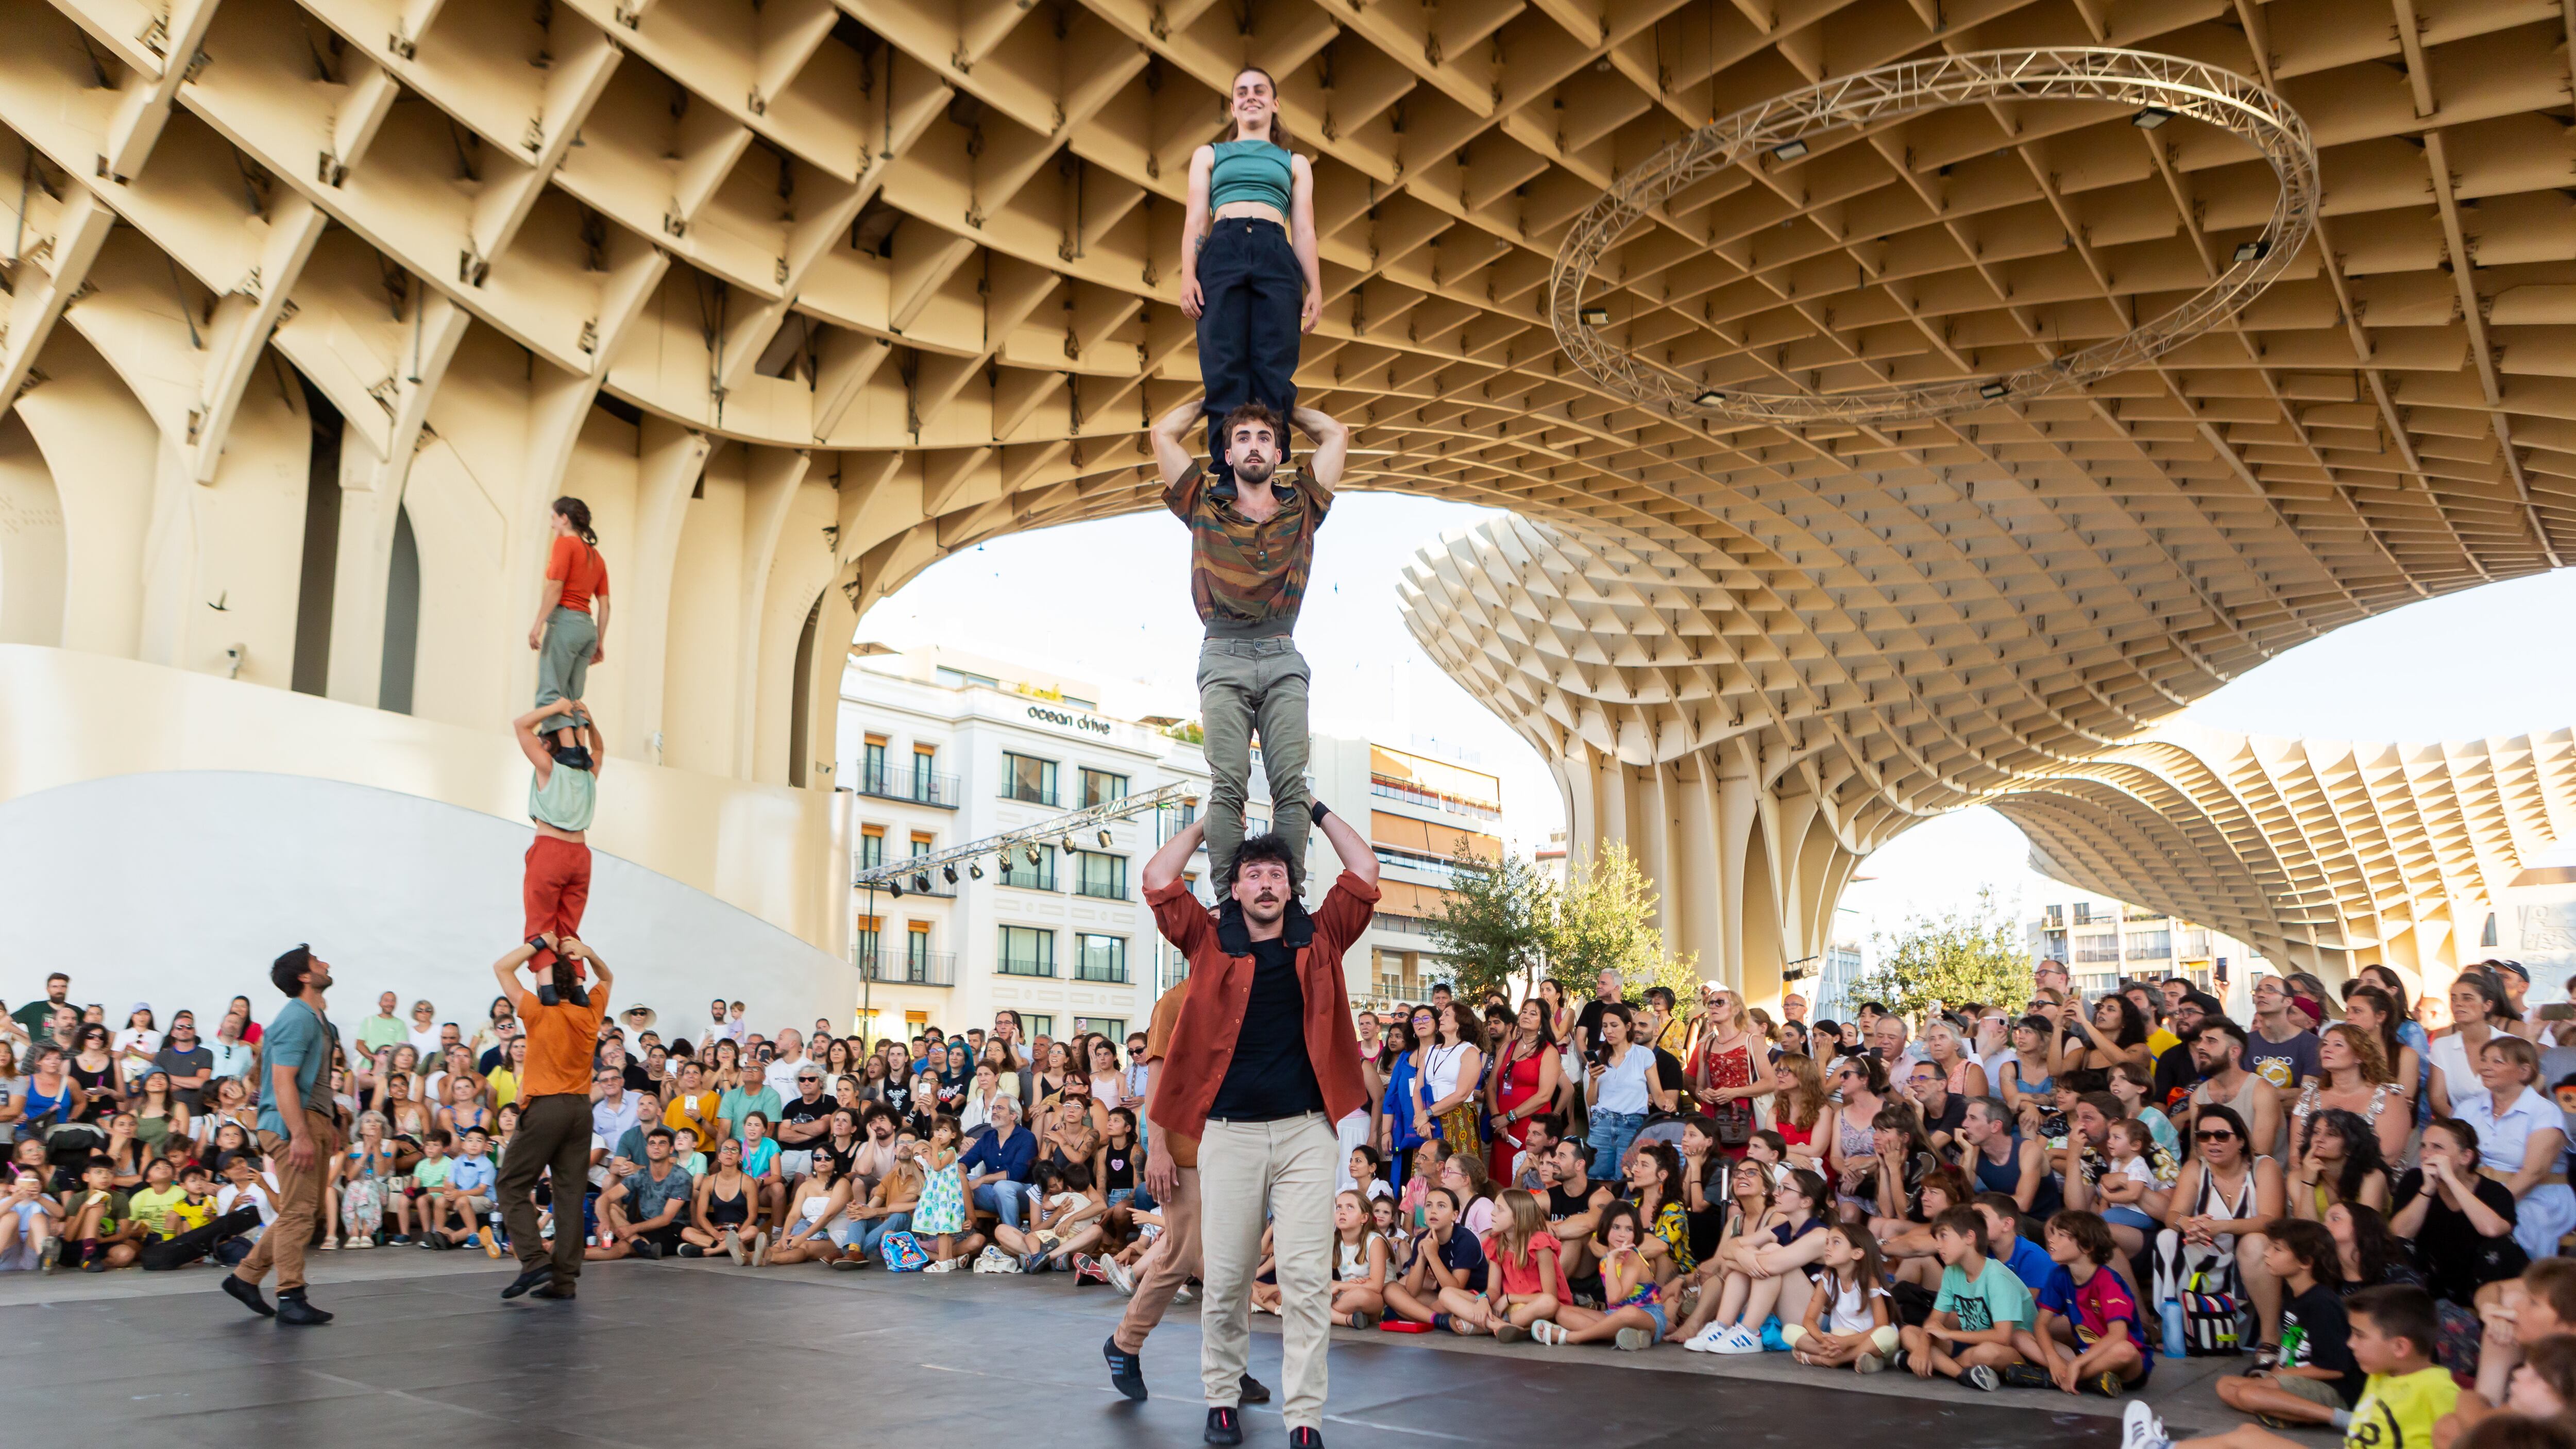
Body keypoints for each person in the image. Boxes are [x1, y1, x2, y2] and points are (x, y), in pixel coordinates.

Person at [1139, 804, 1377, 1449]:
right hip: (1229, 1132)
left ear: (1289, 886)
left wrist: (1317, 811)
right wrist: (1206, 821)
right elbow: (1159, 878)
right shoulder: (1209, 939)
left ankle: (1304, 1420)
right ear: (1236, 887)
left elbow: (1364, 867)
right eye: (1254, 875)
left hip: (1306, 1132)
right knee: (1226, 1279)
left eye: (1277, 873)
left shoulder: (1320, 935)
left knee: (1303, 1281)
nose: (1267, 884)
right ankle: (1221, 1399)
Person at [1147, 392, 1349, 908]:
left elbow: (1335, 436)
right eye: (1242, 439)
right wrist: (1212, 398)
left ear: (1279, 453)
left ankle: (1289, 896)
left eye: (1265, 438)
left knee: (1290, 785)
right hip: (1222, 651)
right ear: (1228, 454)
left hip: (1283, 651)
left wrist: (1284, 406)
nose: (1254, 447)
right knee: (1227, 786)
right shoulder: (1201, 503)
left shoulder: (1301, 505)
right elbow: (1162, 434)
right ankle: (1229, 902)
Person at [1105, 974, 1276, 1409]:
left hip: (1234, 1145)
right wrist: (1158, 1150)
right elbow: (1157, 1082)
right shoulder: (1175, 1002)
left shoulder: (1249, 996)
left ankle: (1231, 1369)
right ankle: (1125, 1343)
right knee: (1181, 1253)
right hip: (1184, 1150)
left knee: (1235, 1261)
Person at [1180, 66, 1319, 497]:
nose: (1250, 97)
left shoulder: (1295, 163)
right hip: (1222, 247)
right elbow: (1196, 219)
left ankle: (1272, 466)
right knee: (1222, 357)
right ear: (1233, 104)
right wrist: (1188, 272)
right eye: (1242, 92)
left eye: (1260, 91)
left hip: (1276, 250)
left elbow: (1305, 230)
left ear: (1274, 104)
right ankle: (1226, 472)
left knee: (1273, 358)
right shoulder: (1210, 155)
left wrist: (1315, 287)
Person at [2124, 1286, 2457, 1449]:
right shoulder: (2382, 1374)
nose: (2351, 1344)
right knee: (2248, 1436)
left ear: (2400, 1347)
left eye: (2359, 1336)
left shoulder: (2437, 1388)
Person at [219, 945, 347, 1325]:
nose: (326, 964)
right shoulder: (298, 1017)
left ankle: (245, 1278)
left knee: (301, 1211)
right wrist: (301, 1134)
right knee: (300, 1213)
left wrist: (329, 1124)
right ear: (305, 977)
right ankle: (291, 1295)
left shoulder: (318, 1018)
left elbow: (311, 1080)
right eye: (317, 962)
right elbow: (282, 1079)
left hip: (312, 1119)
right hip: (294, 1123)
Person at [494, 933, 611, 1302]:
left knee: (511, 1185)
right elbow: (606, 978)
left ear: (542, 979)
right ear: (576, 980)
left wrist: (538, 944)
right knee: (569, 1193)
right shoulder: (589, 1012)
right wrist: (588, 953)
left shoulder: (537, 1010)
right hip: (579, 1110)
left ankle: (532, 1262)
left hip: (546, 1107)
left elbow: (501, 967)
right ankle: (564, 1281)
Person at [2160, 1103, 2288, 1361]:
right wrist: (2186, 1224)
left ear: (2241, 1140)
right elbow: (2172, 1216)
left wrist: (2222, 1227)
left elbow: (2271, 1221)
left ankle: (2269, 1338)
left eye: (2221, 1135)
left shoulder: (2264, 1167)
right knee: (2167, 1237)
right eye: (2204, 1136)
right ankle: (2186, 1328)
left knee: (2254, 1243)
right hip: (2208, 1257)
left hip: (2252, 1262)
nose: (2212, 1142)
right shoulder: (2195, 1169)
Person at [2206, 1220, 2357, 1425]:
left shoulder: (2322, 1303)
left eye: (2277, 1250)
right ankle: (2287, 1412)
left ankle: (2339, 1419)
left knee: (2249, 1394)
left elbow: (2335, 1368)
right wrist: (2276, 1372)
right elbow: (2290, 1348)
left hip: (2332, 1389)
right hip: (2295, 1379)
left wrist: (2281, 1376)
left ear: (2305, 1262)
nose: (2267, 1254)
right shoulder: (2294, 1297)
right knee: (2225, 1385)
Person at [2448, 1035, 2576, 1260]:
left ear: (2524, 1071)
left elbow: (2533, 1173)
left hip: (2537, 1196)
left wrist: (2490, 1204)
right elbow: (2450, 1150)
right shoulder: (2469, 1107)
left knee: (2511, 1231)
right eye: (2484, 1060)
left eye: (2497, 1062)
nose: (2485, 1067)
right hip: (2476, 1189)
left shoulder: (2544, 1112)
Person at [1895, 1203, 2037, 1390]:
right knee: (1909, 1333)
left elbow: (2003, 1337)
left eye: (1944, 1237)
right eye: (1936, 1239)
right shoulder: (1952, 1272)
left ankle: (1938, 1365)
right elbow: (1935, 1320)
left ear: (1969, 1237)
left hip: (2013, 1349)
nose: (1938, 1246)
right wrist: (1922, 1346)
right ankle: (1962, 1374)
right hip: (1972, 1342)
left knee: (1986, 1353)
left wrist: (1947, 1334)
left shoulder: (1996, 1276)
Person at [2389, 1118, 2526, 1309]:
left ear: (2466, 1157)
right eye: (2423, 1146)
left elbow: (2493, 1230)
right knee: (2399, 1247)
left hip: (2478, 1276)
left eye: (2437, 1147)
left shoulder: (2494, 1192)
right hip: (2431, 1272)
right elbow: (2400, 1233)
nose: (2427, 1155)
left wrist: (2451, 1180)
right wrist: (2427, 1190)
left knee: (2501, 1247)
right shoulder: (2414, 1181)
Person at [513, 699, 601, 990]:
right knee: (568, 926)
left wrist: (555, 707)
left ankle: (547, 984)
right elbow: (599, 751)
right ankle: (577, 983)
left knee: (540, 920)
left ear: (548, 746)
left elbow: (520, 725)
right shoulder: (589, 776)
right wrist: (590, 723)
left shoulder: (548, 767)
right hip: (581, 854)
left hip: (551, 847)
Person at [2013, 1209, 2150, 1395]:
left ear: (2087, 1247)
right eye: (2053, 1234)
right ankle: (2077, 1377)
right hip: (2085, 1354)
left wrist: (2077, 1363)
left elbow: (2118, 1336)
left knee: (2125, 1350)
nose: (2052, 1240)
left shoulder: (2109, 1281)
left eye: (2061, 1236)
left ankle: (2059, 1377)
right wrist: (2052, 1357)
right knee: (2019, 1336)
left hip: (2122, 1362)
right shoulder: (2059, 1275)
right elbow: (2041, 1324)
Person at [527, 495, 608, 749]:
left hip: (565, 622)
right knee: (573, 696)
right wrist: (600, 641)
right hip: (587, 628)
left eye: (553, 517)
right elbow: (605, 605)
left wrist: (538, 623)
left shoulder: (565, 545)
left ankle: (570, 751)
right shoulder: (597, 558)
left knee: (551, 693)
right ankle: (580, 747)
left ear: (564, 518)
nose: (552, 524)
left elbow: (555, 586)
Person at [1782, 1222, 1899, 1369]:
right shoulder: (1827, 1279)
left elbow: (1881, 1325)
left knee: (1887, 1335)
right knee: (1789, 1331)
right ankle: (1858, 1359)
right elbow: (1809, 1320)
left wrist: (1847, 1342)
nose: (1828, 1248)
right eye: (1827, 1242)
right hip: (1838, 1339)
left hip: (1865, 1340)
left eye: (1836, 1242)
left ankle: (1829, 1360)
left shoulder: (1870, 1282)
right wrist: (1823, 1340)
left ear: (1857, 1253)